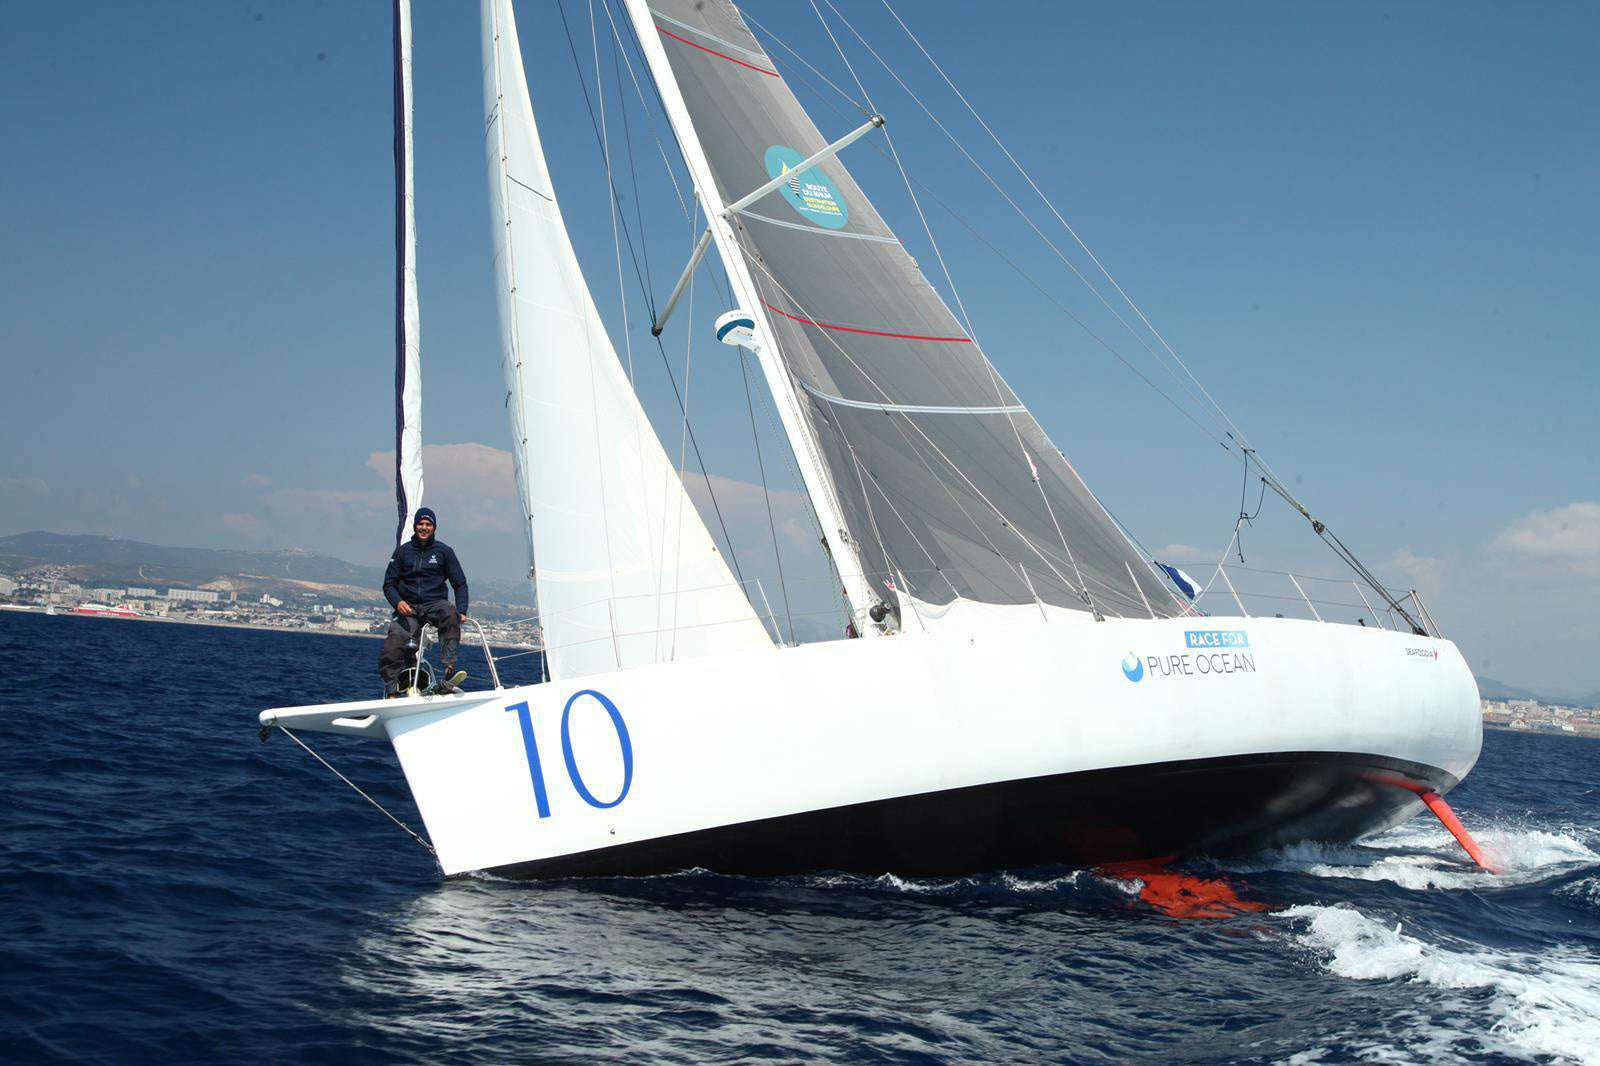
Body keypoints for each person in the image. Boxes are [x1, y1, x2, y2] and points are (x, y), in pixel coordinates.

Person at [378, 507, 469, 697]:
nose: (424, 527)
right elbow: (388, 584)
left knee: (449, 613)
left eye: (428, 524)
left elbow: (460, 584)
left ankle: (449, 669)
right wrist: (398, 602)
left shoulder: (444, 552)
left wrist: (462, 610)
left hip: (435, 604)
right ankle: (392, 691)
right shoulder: (402, 552)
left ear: (434, 527)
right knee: (392, 645)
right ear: (415, 525)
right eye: (421, 524)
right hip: (408, 608)